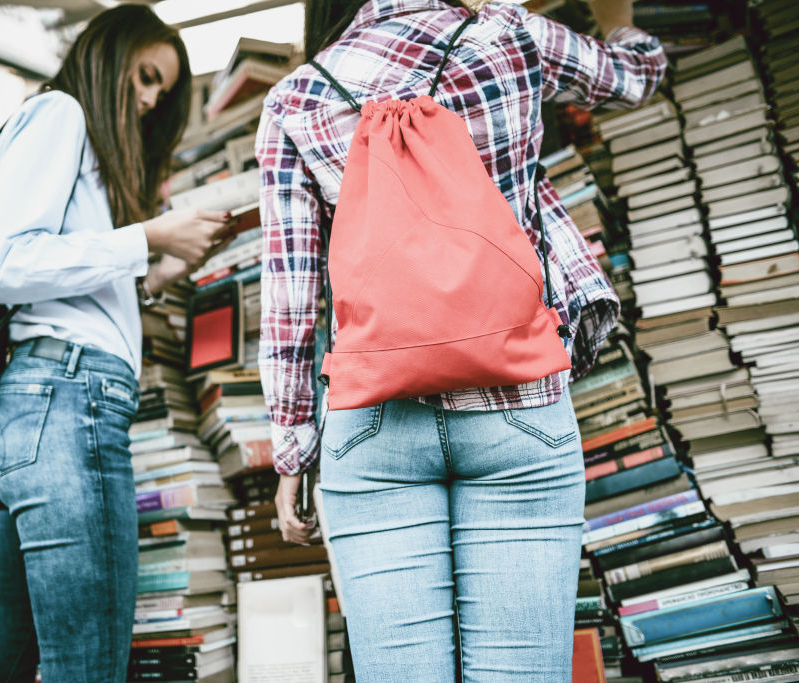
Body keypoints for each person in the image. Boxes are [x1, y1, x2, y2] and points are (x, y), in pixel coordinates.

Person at [257, 0, 666, 680]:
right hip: (518, 400)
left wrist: (294, 451)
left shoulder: (295, 96)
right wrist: (617, 17)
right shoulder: (512, 34)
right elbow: (635, 76)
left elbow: (290, 296)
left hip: (374, 422)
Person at [0, 6, 232, 682]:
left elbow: (62, 284)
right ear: (109, 53)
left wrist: (159, 267)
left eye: (160, 93)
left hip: (37, 409)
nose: (147, 100)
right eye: (144, 77)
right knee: (89, 665)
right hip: (66, 405)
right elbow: (8, 262)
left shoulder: (71, 136)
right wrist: (150, 236)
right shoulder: (61, 115)